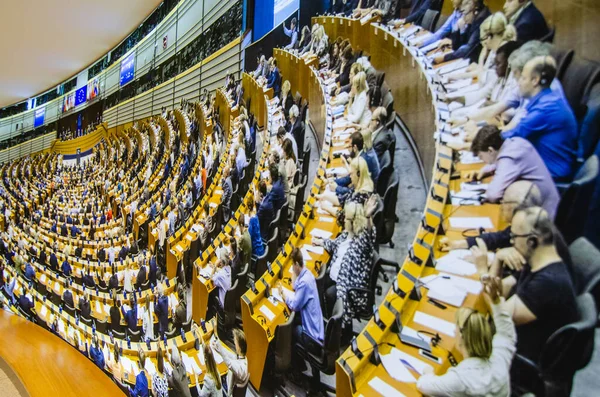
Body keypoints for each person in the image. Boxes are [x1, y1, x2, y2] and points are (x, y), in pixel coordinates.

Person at [479, 206, 577, 362]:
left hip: (519, 362)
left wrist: (483, 271)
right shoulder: (538, 261)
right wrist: (498, 258)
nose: (511, 242)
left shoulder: (548, 283)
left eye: (514, 237)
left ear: (531, 241)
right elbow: (501, 292)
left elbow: (496, 314)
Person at [417, 275, 516, 396]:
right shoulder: (500, 359)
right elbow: (506, 332)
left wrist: (428, 372)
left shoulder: (460, 379)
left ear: (462, 338)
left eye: (456, 329)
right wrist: (495, 301)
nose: (454, 332)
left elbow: (423, 385)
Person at [502, 56, 577, 181]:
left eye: (523, 77)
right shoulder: (547, 100)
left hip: (551, 179)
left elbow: (512, 135)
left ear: (535, 80)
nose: (519, 82)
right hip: (544, 171)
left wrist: (473, 139)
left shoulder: (545, 109)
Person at [468, 125, 560, 219]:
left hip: (543, 217)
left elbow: (493, 194)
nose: (483, 161)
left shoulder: (509, 158)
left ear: (490, 150)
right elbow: (500, 162)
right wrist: (484, 170)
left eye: (481, 157)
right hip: (550, 205)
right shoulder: (515, 142)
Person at [277, 248, 324, 359]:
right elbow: (294, 286)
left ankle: (296, 365)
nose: (292, 269)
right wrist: (295, 271)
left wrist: (282, 293)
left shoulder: (304, 283)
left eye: (293, 265)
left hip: (312, 338)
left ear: (297, 264)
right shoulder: (308, 274)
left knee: (288, 331)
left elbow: (294, 305)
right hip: (317, 330)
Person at [434, 0, 491, 64]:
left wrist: (444, 57)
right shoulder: (472, 17)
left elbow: (467, 49)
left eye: (465, 14)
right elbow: (457, 46)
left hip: (476, 63)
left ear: (475, 11)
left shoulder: (481, 20)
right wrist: (460, 30)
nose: (463, 18)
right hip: (468, 60)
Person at [211, 328, 249, 396]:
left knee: (212, 383)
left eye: (235, 343)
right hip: (228, 379)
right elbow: (230, 355)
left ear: (239, 348)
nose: (234, 343)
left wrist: (221, 351)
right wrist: (218, 349)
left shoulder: (241, 369)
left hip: (228, 391)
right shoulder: (243, 358)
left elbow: (230, 364)